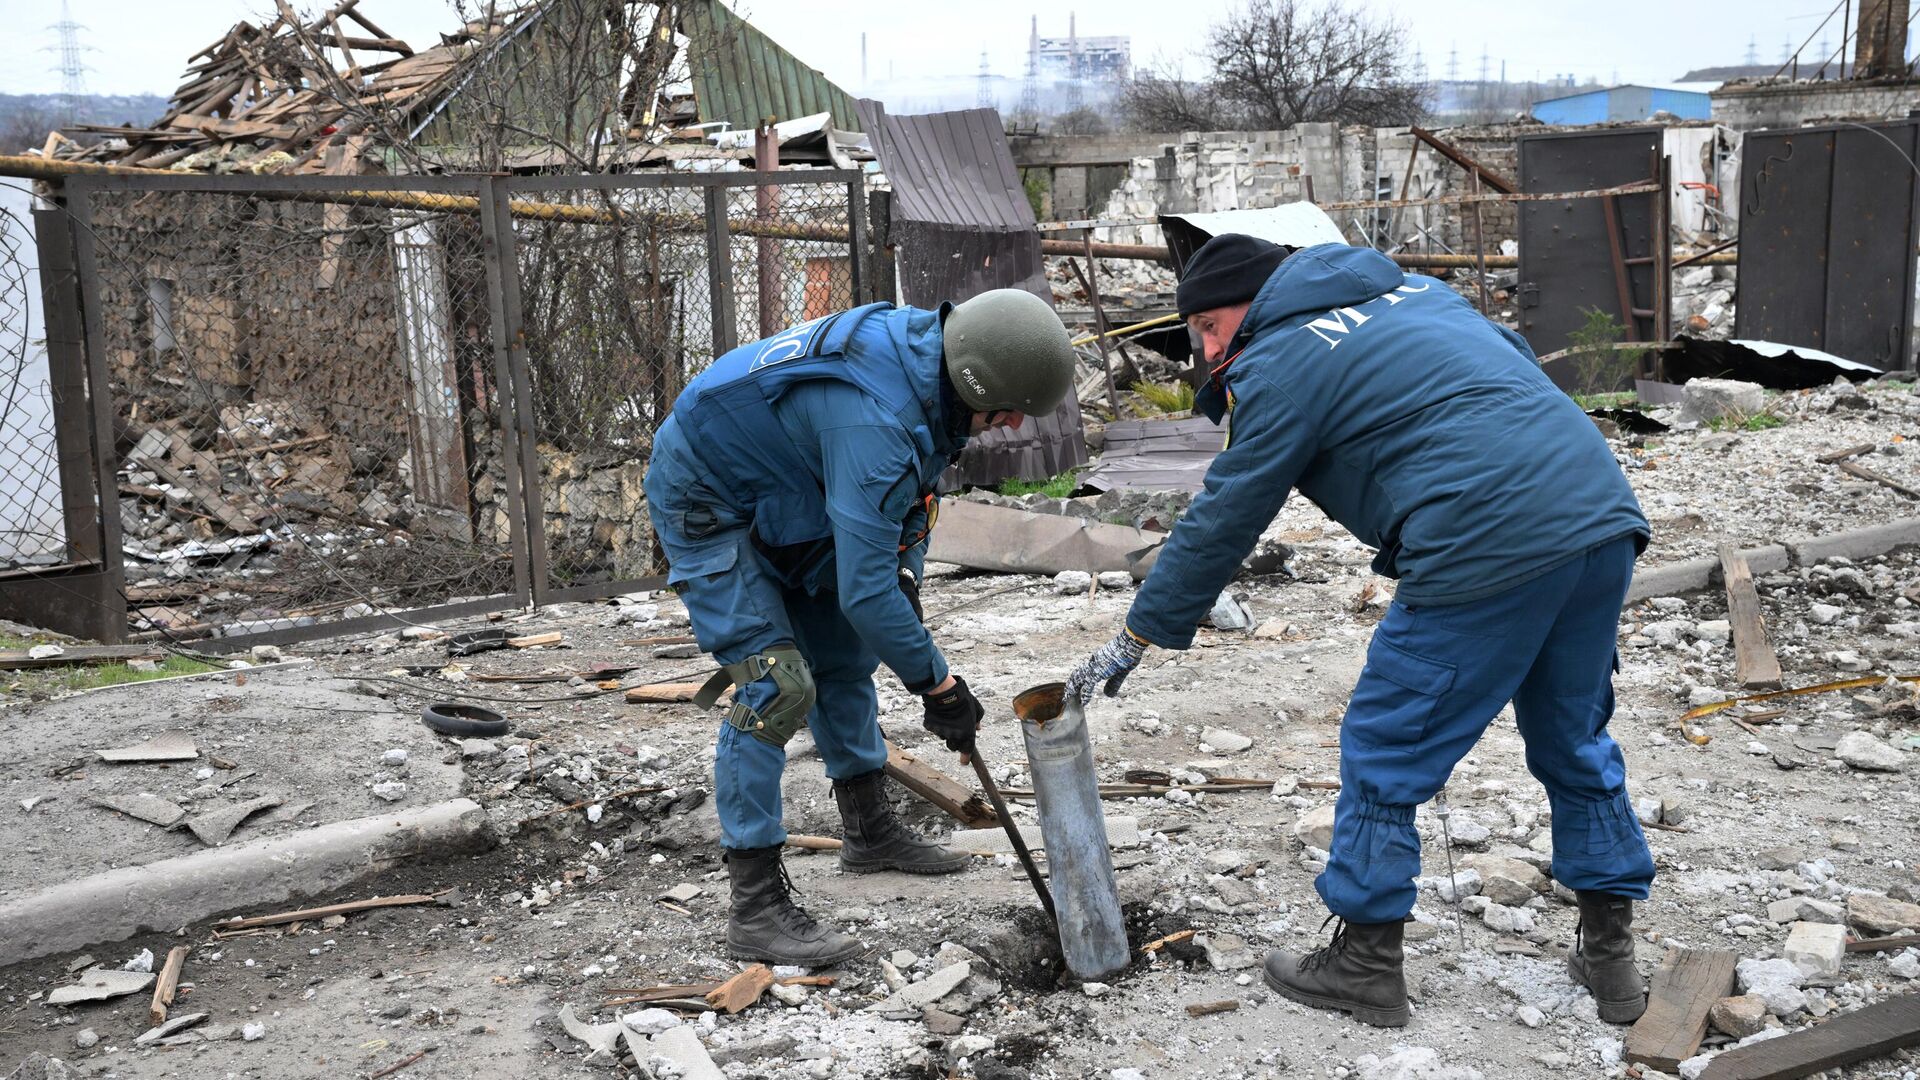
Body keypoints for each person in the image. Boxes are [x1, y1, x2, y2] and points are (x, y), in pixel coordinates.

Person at [1065, 234, 1656, 1028]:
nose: (1205, 350)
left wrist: (1137, 633)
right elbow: (1512, 369)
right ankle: (1611, 958)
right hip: (1599, 518)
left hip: (1479, 539)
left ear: (1258, 298)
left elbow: (1226, 512)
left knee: (1386, 745)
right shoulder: (1422, 295)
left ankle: (1365, 964)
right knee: (1572, 732)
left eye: (1208, 325)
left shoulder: (1279, 360)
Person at [645, 288, 1077, 967]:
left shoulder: (927, 363)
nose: (1015, 420)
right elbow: (864, 588)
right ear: (979, 381)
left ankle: (869, 831)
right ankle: (755, 907)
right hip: (708, 496)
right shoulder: (874, 417)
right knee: (777, 686)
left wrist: (906, 574)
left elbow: (911, 501)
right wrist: (940, 689)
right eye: (1012, 407)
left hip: (792, 487)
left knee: (844, 658)